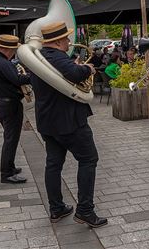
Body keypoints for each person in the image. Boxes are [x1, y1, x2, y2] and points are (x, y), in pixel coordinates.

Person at [30, 22, 108, 228]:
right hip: (69, 121)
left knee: (53, 164)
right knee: (89, 159)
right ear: (56, 41)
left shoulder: (39, 57)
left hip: (48, 121)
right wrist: (86, 68)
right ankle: (85, 210)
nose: (68, 41)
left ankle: (56, 208)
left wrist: (74, 65)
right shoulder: (57, 57)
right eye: (65, 38)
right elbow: (74, 75)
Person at [0, 34, 31, 184]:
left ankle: (10, 168)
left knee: (9, 137)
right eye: (13, 50)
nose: (14, 54)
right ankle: (6, 173)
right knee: (11, 139)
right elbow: (17, 80)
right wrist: (33, 75)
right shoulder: (3, 63)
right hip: (9, 104)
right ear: (8, 49)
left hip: (0, 102)